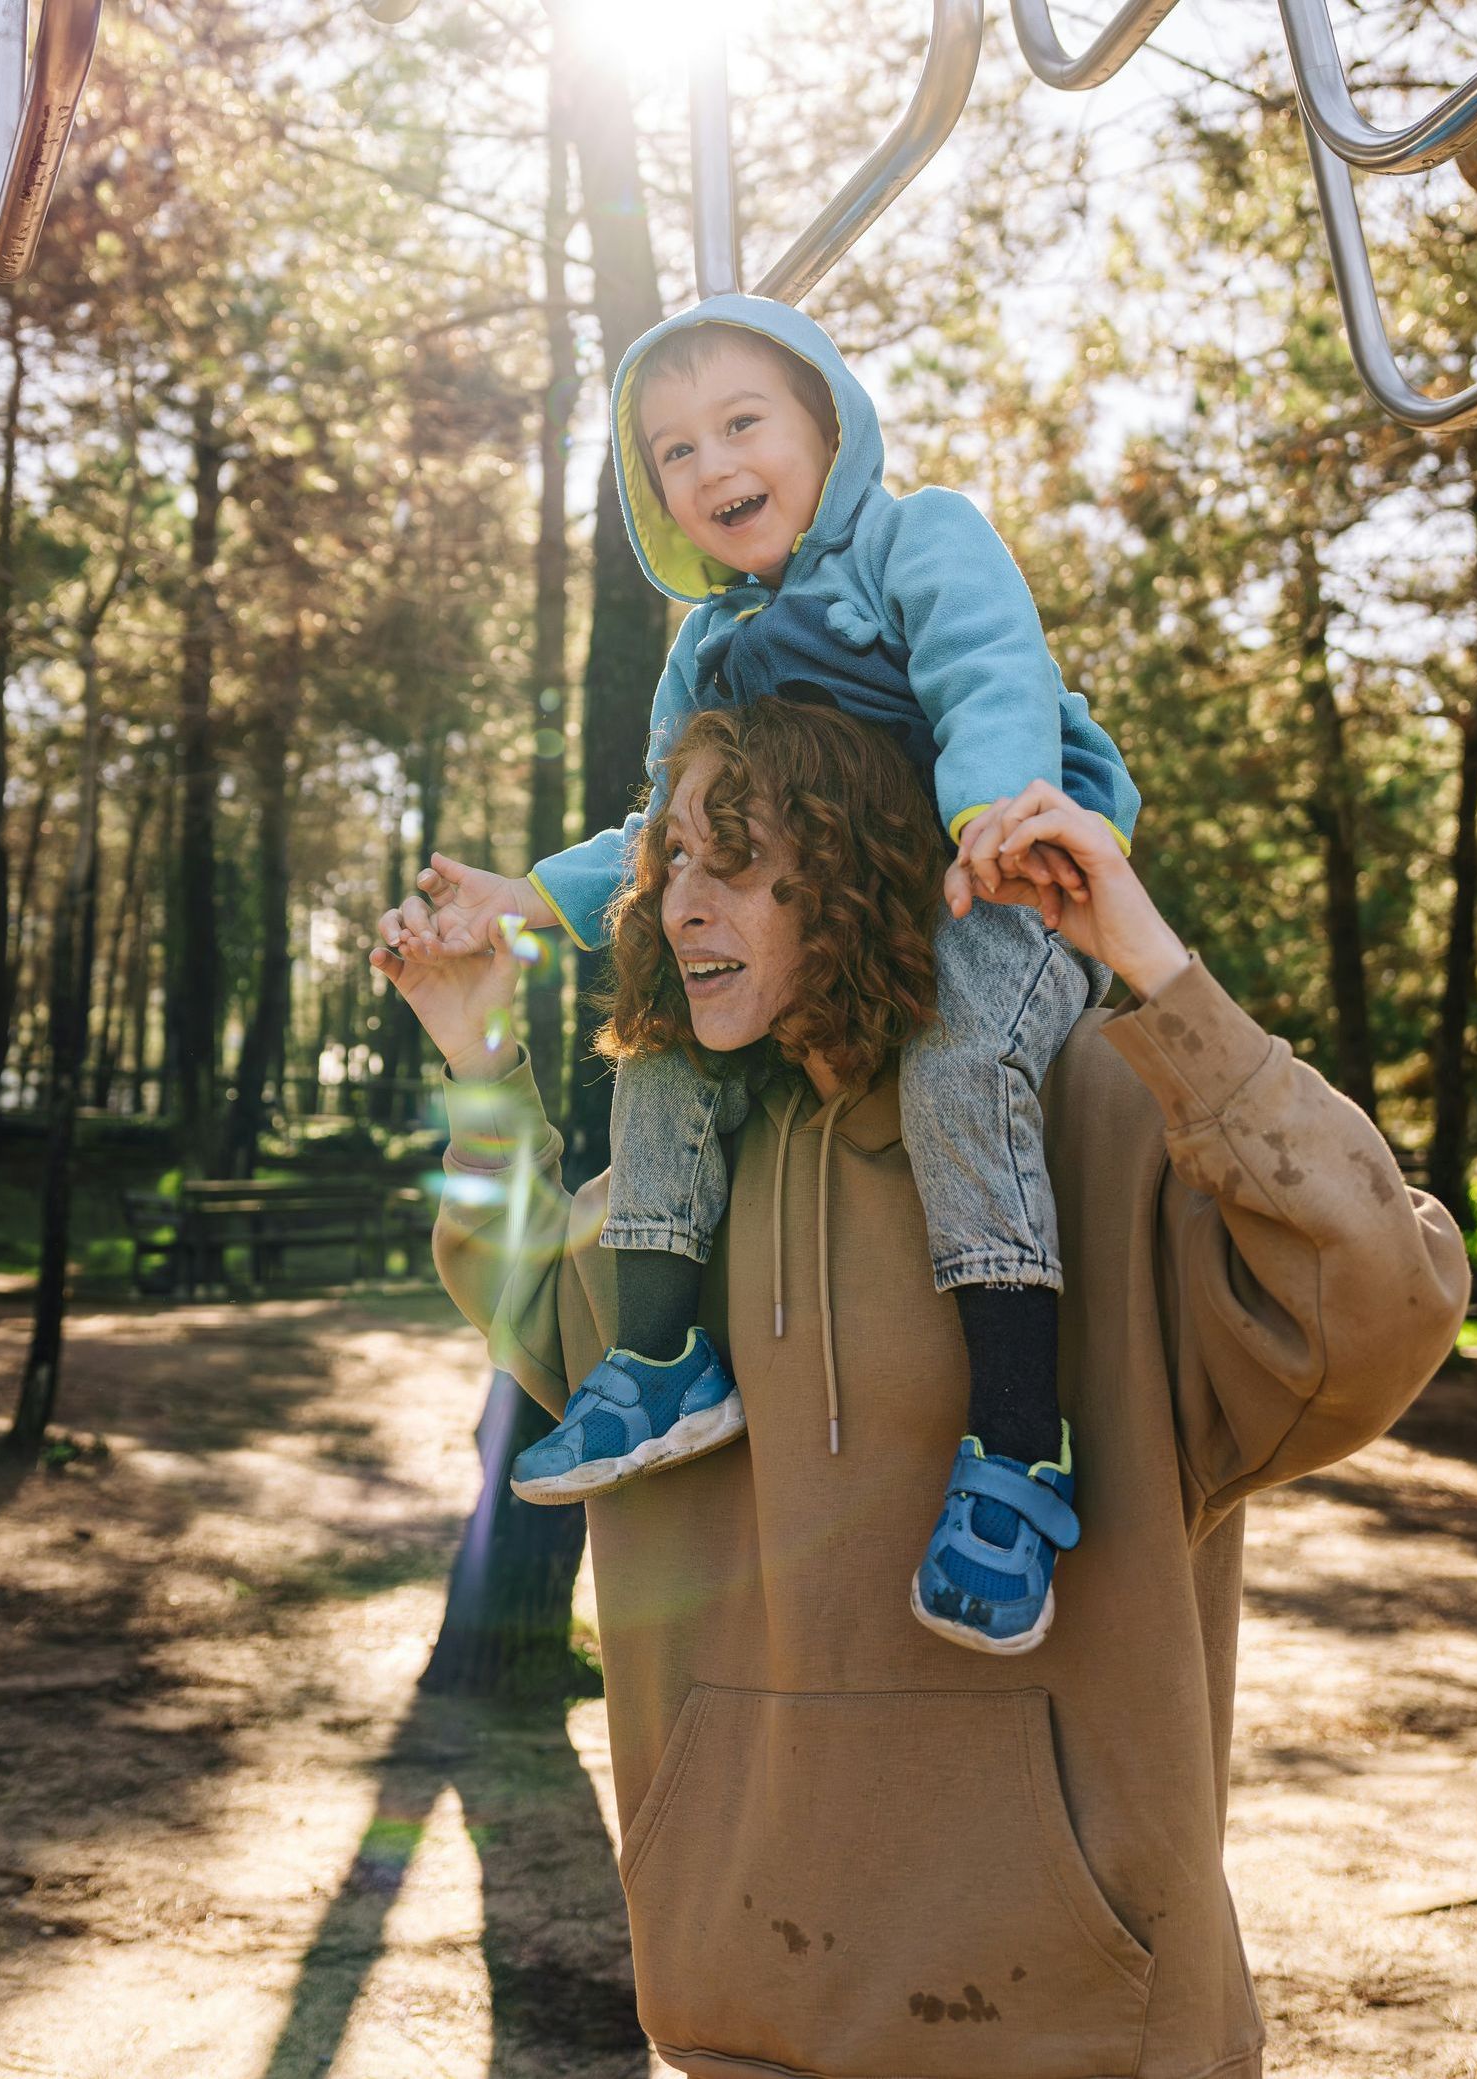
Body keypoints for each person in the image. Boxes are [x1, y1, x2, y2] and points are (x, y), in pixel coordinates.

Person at [372, 697, 1467, 2079]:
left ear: (859, 862)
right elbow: (533, 1298)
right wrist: (478, 1056)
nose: (674, 908)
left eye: (733, 859)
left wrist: (1157, 974)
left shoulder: (1101, 1123)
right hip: (744, 2017)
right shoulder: (698, 1179)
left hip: (1079, 2035)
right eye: (668, 868)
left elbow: (1382, 1298)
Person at [382, 294, 1142, 1655]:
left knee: (963, 1059)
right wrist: (509, 970)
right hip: (732, 1846)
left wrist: (991, 816)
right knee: (659, 1037)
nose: (710, 463)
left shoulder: (919, 540)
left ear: (830, 427)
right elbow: (669, 827)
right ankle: (664, 1356)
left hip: (992, 881)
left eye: (742, 423)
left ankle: (1021, 1444)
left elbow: (986, 676)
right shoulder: (706, 646)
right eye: (671, 450)